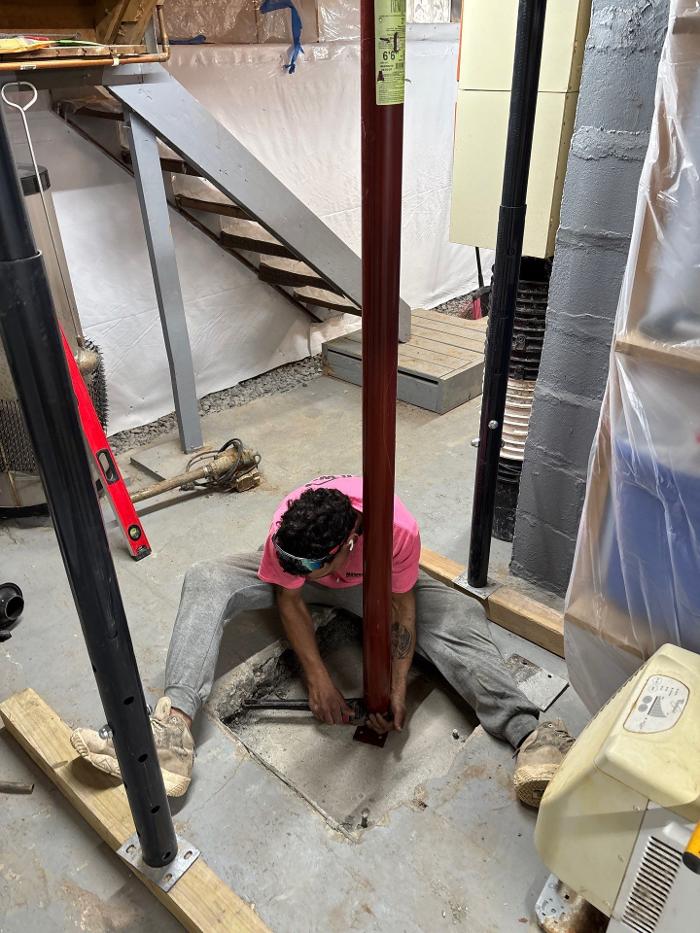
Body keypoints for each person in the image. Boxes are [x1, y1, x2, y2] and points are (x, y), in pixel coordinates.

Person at [71, 475, 573, 806]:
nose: (295, 567)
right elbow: (289, 595)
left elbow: (402, 610)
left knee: (459, 613)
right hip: (309, 580)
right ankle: (172, 732)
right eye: (289, 559)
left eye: (309, 562)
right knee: (206, 577)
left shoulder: (396, 532)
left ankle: (530, 734)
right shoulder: (289, 535)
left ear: (349, 543)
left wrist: (397, 687)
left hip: (369, 583)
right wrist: (320, 679)